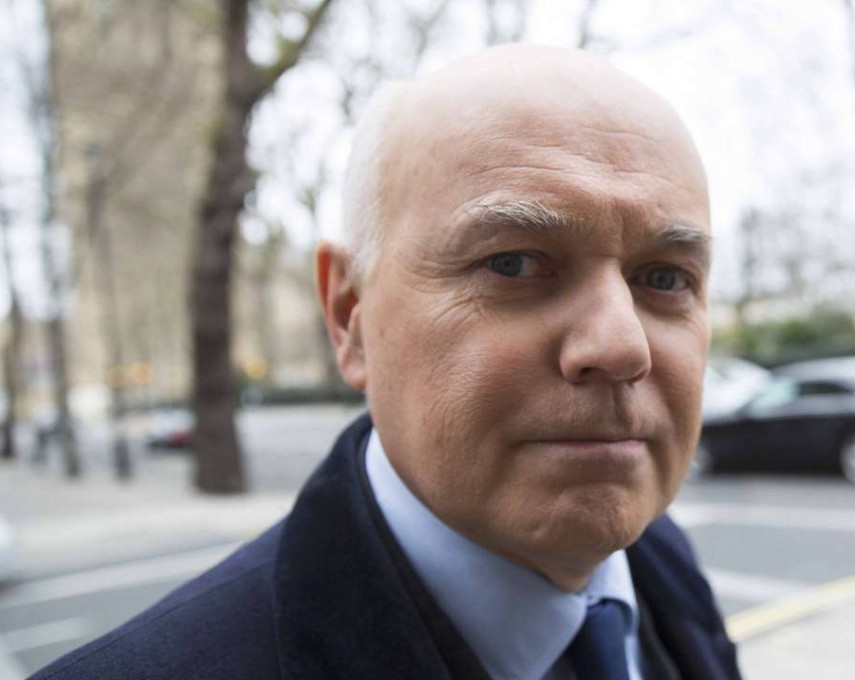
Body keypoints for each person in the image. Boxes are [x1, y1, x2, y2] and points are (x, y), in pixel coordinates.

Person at [33, 45, 740, 679]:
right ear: (350, 315)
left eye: (667, 278)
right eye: (514, 262)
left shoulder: (659, 566)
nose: (621, 346)